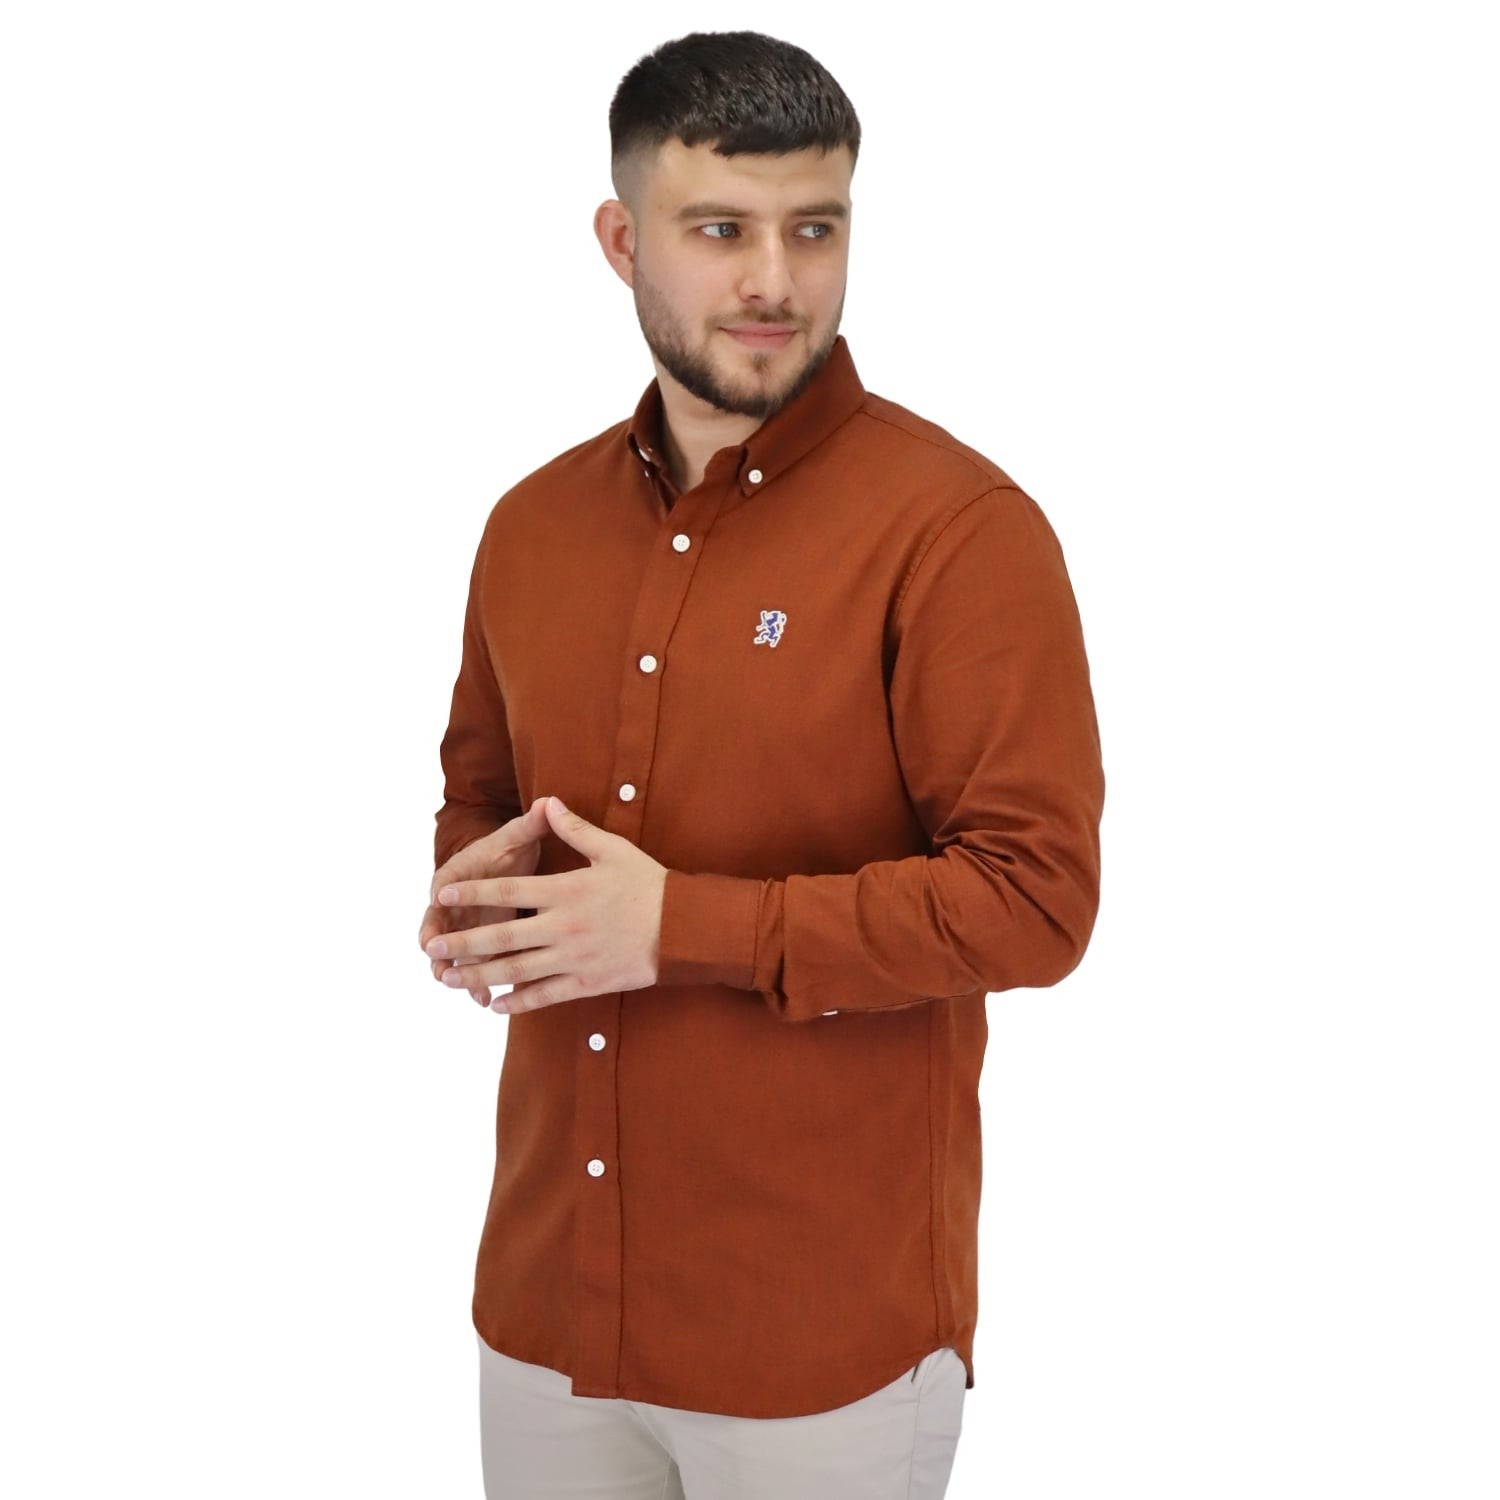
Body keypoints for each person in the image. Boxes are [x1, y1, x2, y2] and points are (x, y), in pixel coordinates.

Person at [418, 28, 1105, 1500]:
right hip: (547, 1315)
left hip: (819, 1347)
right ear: (623, 242)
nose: (776, 282)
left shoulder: (959, 533)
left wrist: (679, 926)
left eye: (816, 228)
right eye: (721, 230)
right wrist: (476, 904)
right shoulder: (529, 527)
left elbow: (1037, 902)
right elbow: (479, 798)